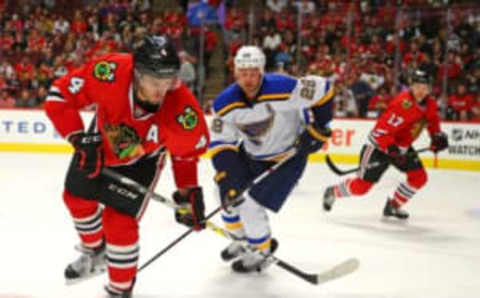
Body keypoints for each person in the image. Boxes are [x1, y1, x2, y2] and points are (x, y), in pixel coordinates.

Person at [44, 35, 209, 297]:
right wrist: (79, 139)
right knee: (75, 198)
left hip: (142, 163)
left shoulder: (183, 110)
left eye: (168, 82)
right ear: (136, 74)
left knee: (119, 223)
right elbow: (59, 95)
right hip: (98, 146)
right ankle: (95, 250)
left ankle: (120, 289)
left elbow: (186, 153)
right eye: (155, 81)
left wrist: (188, 192)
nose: (161, 90)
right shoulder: (108, 72)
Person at [209, 46, 333, 273]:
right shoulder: (223, 104)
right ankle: (242, 239)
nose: (248, 79)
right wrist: (227, 177)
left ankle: (261, 253)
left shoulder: (283, 87)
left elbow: (324, 89)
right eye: (243, 73)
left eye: (253, 72)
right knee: (222, 192)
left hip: (287, 156)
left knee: (250, 204)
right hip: (252, 155)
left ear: (262, 71)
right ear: (235, 73)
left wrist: (319, 127)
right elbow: (221, 143)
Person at [323, 69, 449, 219]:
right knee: (361, 188)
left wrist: (436, 137)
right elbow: (381, 131)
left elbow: (432, 121)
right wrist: (391, 149)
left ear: (429, 88)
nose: (420, 91)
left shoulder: (431, 104)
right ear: (411, 86)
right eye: (417, 86)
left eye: (424, 87)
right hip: (378, 147)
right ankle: (333, 191)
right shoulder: (403, 104)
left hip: (401, 148)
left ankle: (393, 205)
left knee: (418, 177)